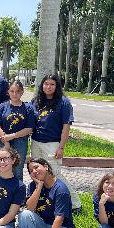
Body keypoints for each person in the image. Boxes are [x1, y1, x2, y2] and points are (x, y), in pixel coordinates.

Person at [30, 74, 81, 211]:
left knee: (54, 174)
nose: (48, 87)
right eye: (46, 83)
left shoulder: (63, 102)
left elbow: (66, 126)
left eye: (52, 84)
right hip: (35, 142)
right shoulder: (36, 101)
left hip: (52, 144)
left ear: (57, 86)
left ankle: (75, 204)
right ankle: (42, 202)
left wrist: (61, 147)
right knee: (38, 174)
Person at [0, 80, 35, 181]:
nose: (14, 94)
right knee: (3, 169)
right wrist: (6, 141)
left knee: (17, 170)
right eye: (12, 91)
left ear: (22, 92)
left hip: (20, 142)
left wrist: (12, 136)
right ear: (8, 91)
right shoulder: (2, 107)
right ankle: (3, 193)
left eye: (17, 91)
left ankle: (18, 194)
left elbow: (29, 128)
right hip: (3, 141)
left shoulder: (27, 108)